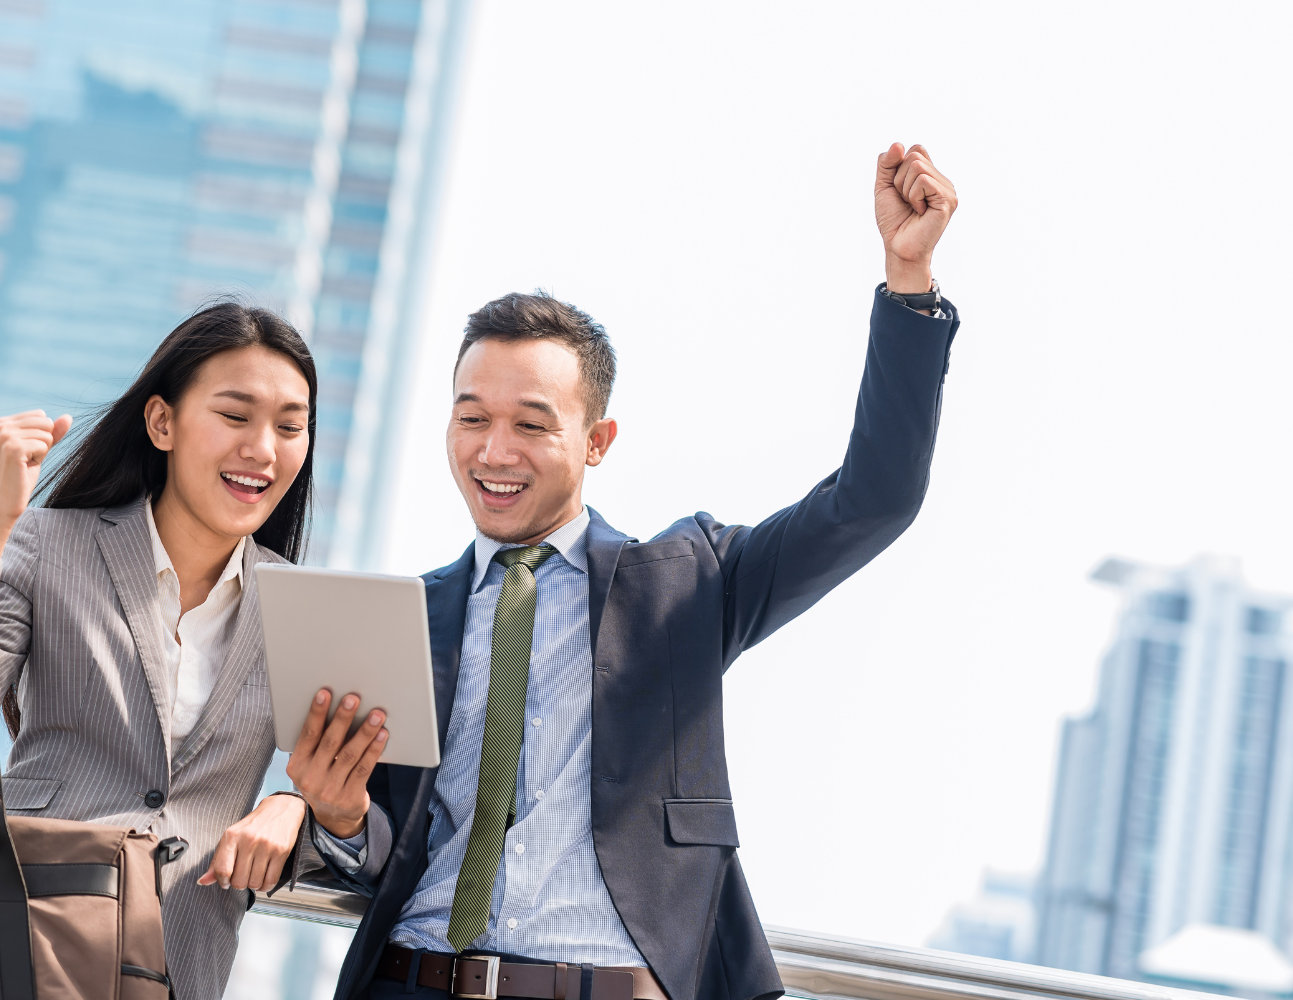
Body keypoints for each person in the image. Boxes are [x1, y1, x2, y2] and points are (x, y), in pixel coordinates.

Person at [286, 142, 961, 1000]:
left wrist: (911, 279)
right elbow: (379, 849)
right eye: (471, 418)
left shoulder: (687, 584)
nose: (494, 452)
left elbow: (875, 499)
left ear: (597, 442)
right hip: (412, 980)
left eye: (532, 424)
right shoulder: (405, 622)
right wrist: (338, 816)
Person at [0, 304, 373, 1000]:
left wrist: (295, 807)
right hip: (7, 946)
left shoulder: (305, 611)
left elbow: (348, 823)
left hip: (173, 968)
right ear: (162, 423)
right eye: (236, 416)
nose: (264, 449)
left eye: (290, 427)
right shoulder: (48, 544)